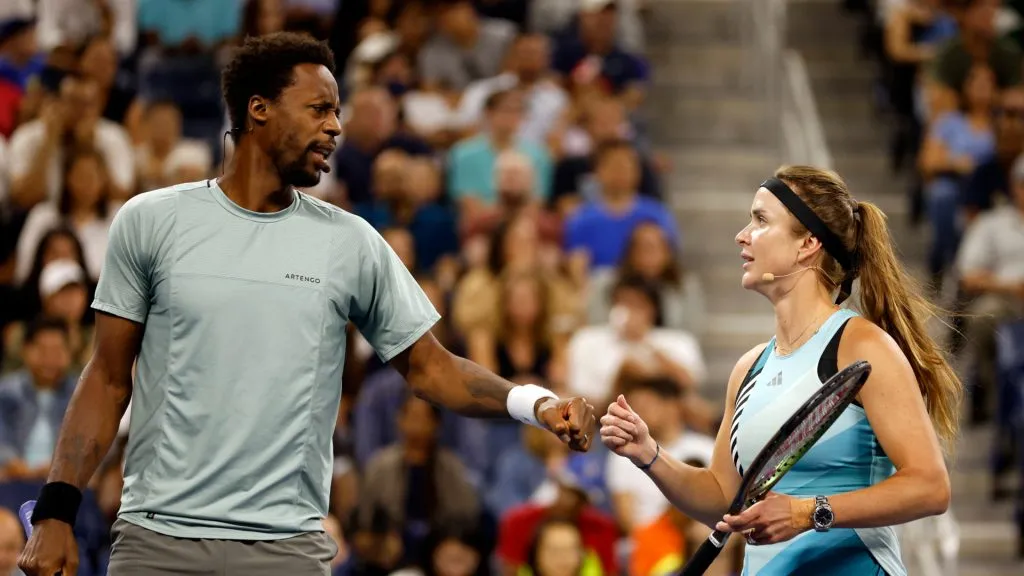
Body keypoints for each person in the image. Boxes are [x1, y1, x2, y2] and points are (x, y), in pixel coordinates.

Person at [17, 32, 596, 576]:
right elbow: (108, 378)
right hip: (157, 539)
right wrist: (55, 508)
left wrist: (537, 403)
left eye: (337, 111)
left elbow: (432, 368)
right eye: (319, 109)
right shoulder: (150, 221)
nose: (335, 127)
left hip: (286, 546)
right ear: (258, 109)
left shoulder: (351, 241)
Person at [600, 166, 961, 575]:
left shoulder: (862, 346)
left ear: (808, 243)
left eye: (760, 220)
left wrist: (808, 512)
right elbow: (722, 497)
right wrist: (649, 454)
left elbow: (931, 487)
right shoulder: (748, 368)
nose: (742, 235)